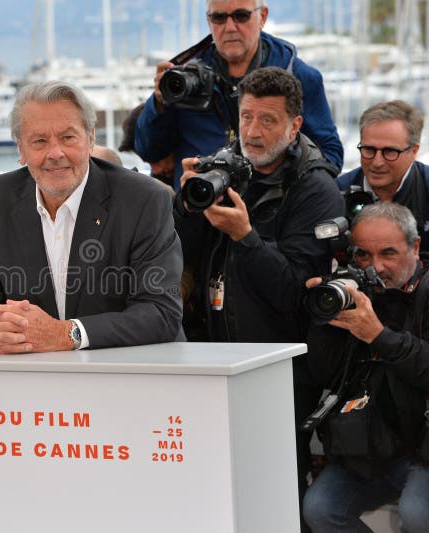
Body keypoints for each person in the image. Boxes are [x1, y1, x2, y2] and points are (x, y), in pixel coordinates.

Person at [174, 66, 343, 521]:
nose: (252, 130)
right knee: (213, 487)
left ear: (295, 126)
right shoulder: (225, 169)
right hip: (216, 358)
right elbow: (180, 254)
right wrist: (186, 201)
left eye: (268, 120)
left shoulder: (317, 189)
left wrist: (245, 235)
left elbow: (294, 294)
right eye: (246, 117)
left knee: (276, 489)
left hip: (280, 371)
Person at [0, 80, 185, 353]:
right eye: (39, 141)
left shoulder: (144, 199)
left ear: (90, 138)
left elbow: (161, 312)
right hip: (35, 376)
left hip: (131, 372)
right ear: (21, 149)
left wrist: (68, 333)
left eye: (68, 138)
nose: (55, 153)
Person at [302, 202, 429, 532]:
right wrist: (324, 318)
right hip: (372, 445)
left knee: (418, 514)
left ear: (415, 247)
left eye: (388, 253)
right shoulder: (357, 292)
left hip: (423, 448)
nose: (377, 267)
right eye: (362, 256)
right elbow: (325, 373)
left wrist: (377, 335)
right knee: (320, 508)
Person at [134, 0, 342, 189]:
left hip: (270, 215)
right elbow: (149, 151)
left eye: (241, 16)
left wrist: (278, 169)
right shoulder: (185, 80)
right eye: (219, 18)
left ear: (262, 17)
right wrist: (160, 102)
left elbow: (330, 157)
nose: (230, 27)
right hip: (199, 210)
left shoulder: (301, 78)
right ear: (209, 20)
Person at [336, 100, 429, 252]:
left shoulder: (426, 184)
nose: (377, 162)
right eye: (369, 149)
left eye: (390, 152)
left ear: (414, 151)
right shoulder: (336, 193)